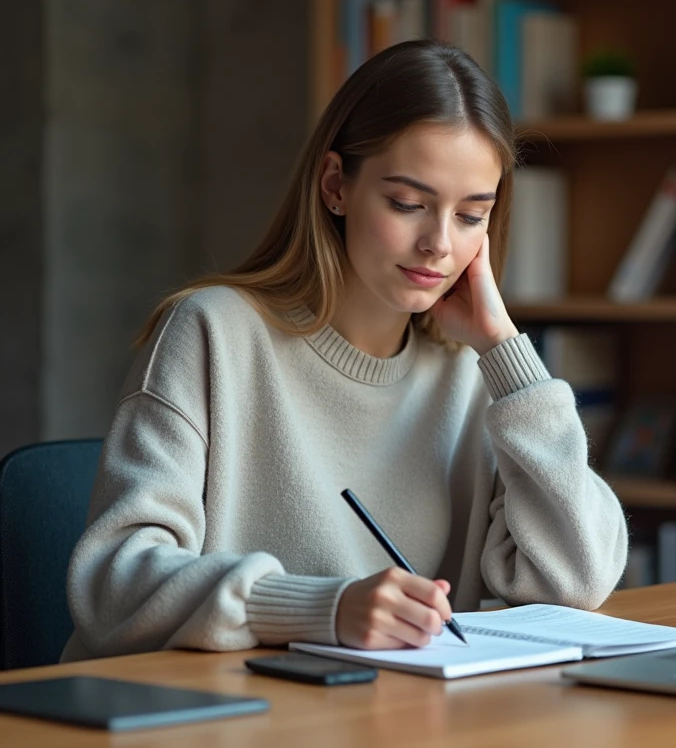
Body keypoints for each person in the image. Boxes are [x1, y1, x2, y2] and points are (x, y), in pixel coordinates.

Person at [61, 39, 629, 662]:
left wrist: (506, 357)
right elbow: (113, 583)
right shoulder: (211, 334)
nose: (439, 243)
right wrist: (320, 609)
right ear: (336, 185)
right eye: (408, 204)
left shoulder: (474, 374)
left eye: (471, 216)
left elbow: (579, 577)